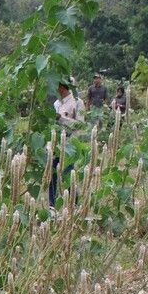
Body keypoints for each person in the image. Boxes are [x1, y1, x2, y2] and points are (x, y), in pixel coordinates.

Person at [49, 78, 84, 206]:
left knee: (69, 174)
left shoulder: (78, 102)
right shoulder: (56, 104)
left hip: (70, 145)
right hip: (55, 144)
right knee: (51, 174)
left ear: (62, 87)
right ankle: (51, 205)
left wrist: (62, 119)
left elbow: (80, 125)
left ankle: (73, 205)